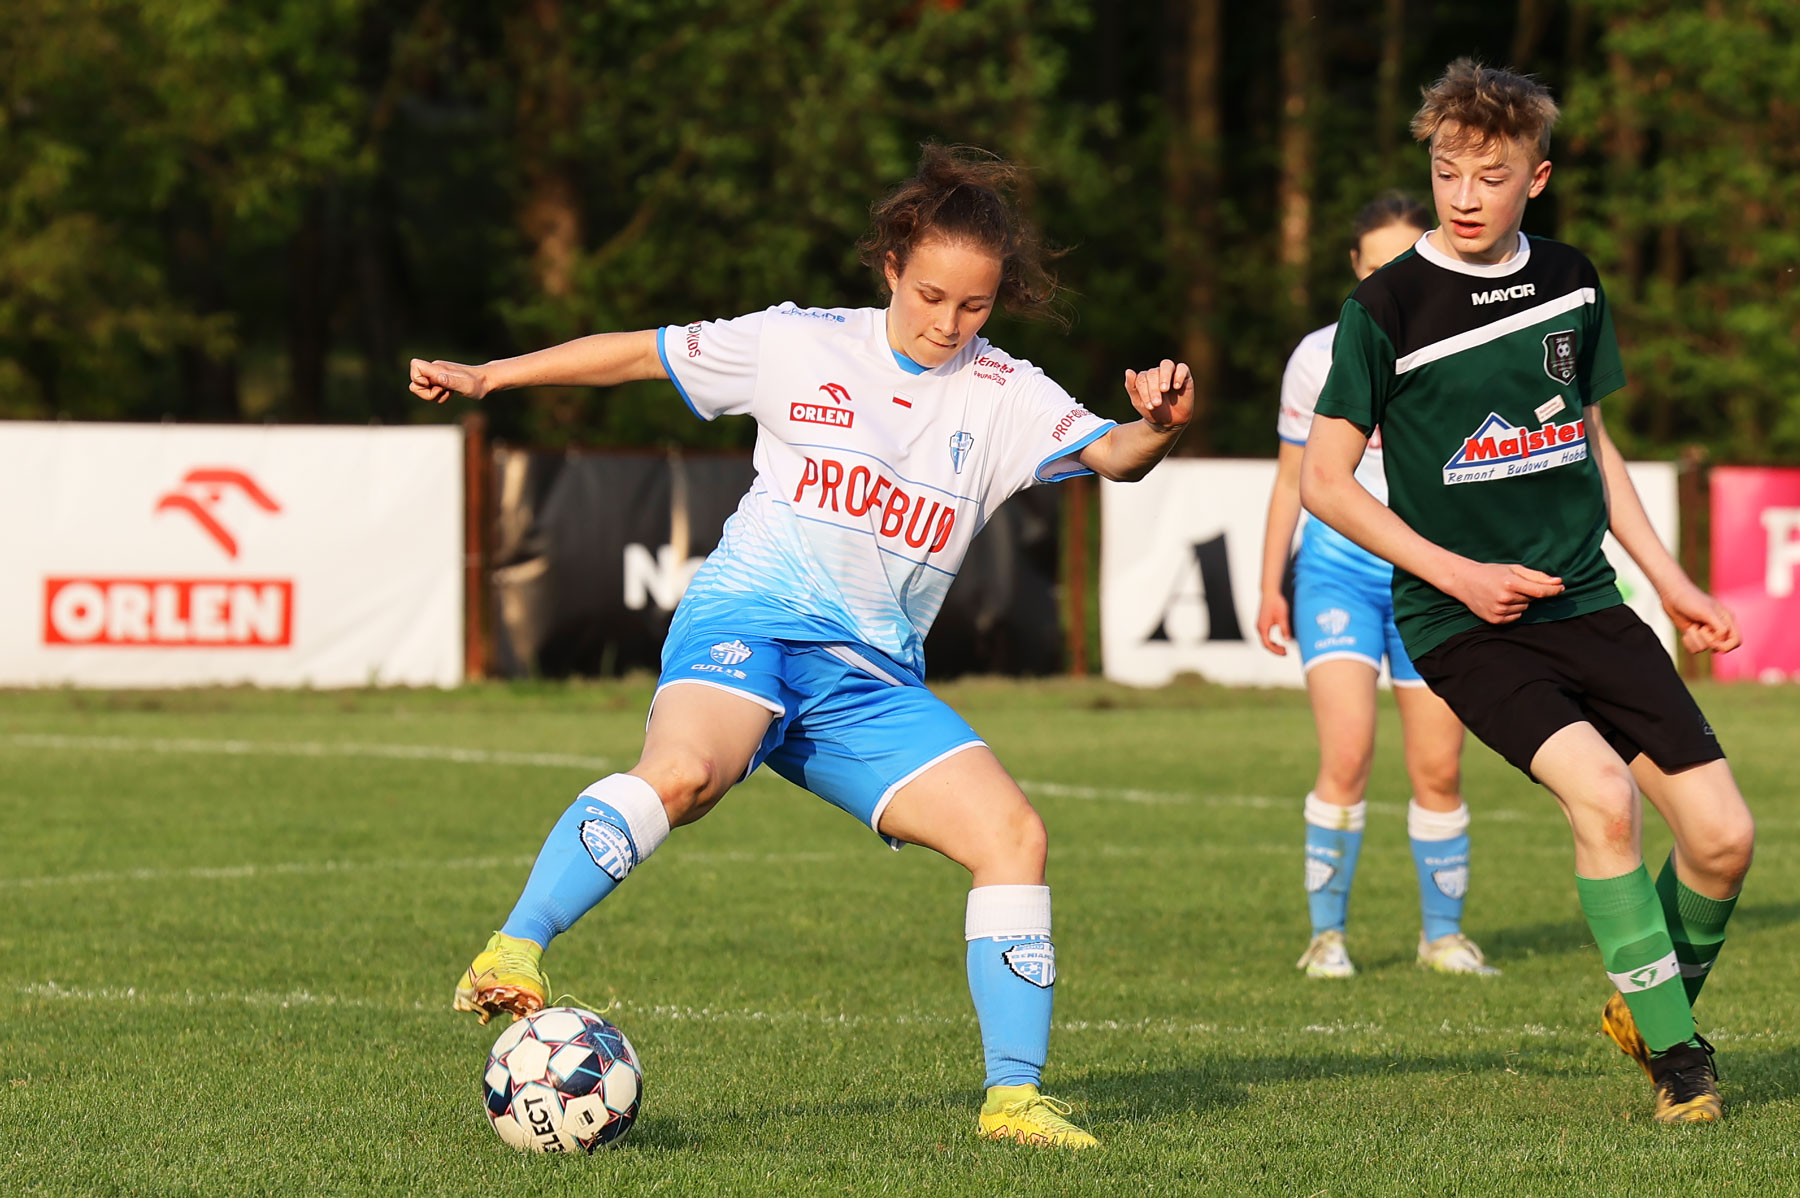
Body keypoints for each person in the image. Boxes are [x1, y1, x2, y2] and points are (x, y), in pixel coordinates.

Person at [408, 144, 1194, 1150]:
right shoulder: (798, 343)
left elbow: (1115, 455)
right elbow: (641, 351)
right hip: (751, 620)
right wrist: (493, 375)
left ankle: (1012, 1100)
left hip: (866, 679)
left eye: (976, 307)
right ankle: (513, 948)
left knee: (1014, 838)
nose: (948, 324)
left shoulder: (1004, 392)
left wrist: (1158, 425)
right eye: (930, 295)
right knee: (689, 770)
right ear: (891, 267)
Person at [1300, 59, 1754, 1124]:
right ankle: (1680, 1066)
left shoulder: (1573, 280)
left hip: (1587, 600)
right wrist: (1455, 572)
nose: (1463, 195)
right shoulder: (1386, 305)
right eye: (1446, 170)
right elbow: (1325, 481)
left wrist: (1674, 580)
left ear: (1536, 179)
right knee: (1604, 797)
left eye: (1489, 176)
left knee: (1725, 837)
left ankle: (1649, 1006)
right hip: (1461, 620)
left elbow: (1592, 445)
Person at [1257, 191, 1497, 981]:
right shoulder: (1318, 356)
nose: (1395, 275)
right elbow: (1295, 479)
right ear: (1355, 272)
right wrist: (1270, 585)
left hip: (1434, 576)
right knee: (1349, 755)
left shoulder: (1470, 341)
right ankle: (1327, 938)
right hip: (1338, 572)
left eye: (1407, 260)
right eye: (1378, 263)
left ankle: (1443, 939)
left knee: (1439, 768)